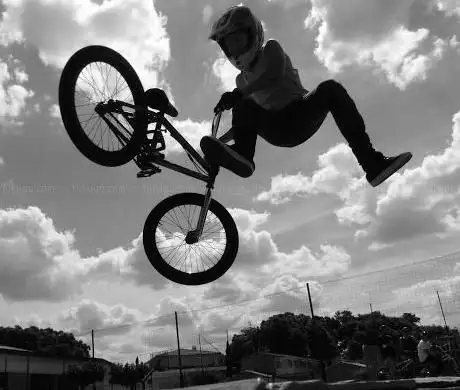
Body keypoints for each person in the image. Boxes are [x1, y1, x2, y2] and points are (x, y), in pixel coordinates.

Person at [200, 4, 412, 187]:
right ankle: (244, 154)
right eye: (229, 45)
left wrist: (238, 94)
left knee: (330, 89)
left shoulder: (270, 49)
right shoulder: (241, 81)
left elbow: (273, 74)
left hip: (298, 115)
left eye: (238, 41)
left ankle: (372, 164)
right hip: (277, 129)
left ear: (253, 34)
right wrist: (219, 144)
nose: (235, 49)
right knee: (243, 107)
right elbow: (246, 122)